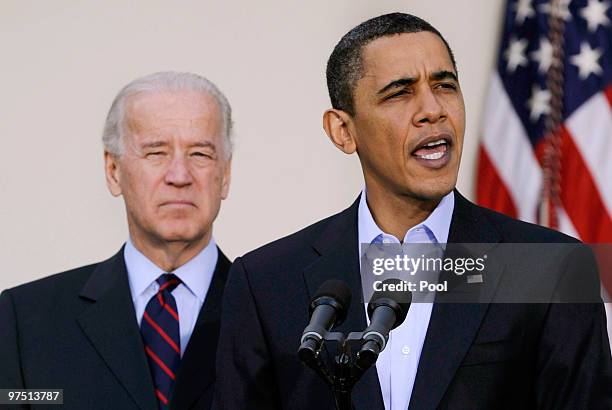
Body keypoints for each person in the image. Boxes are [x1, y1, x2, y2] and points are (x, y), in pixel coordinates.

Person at [214, 13, 611, 410]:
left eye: (445, 86)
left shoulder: (548, 269)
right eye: (399, 93)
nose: (432, 109)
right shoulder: (266, 283)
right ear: (343, 131)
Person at [0, 71, 233, 410]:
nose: (180, 176)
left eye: (200, 154)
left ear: (225, 175)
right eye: (156, 153)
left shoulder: (276, 313)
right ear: (113, 171)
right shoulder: (25, 320)